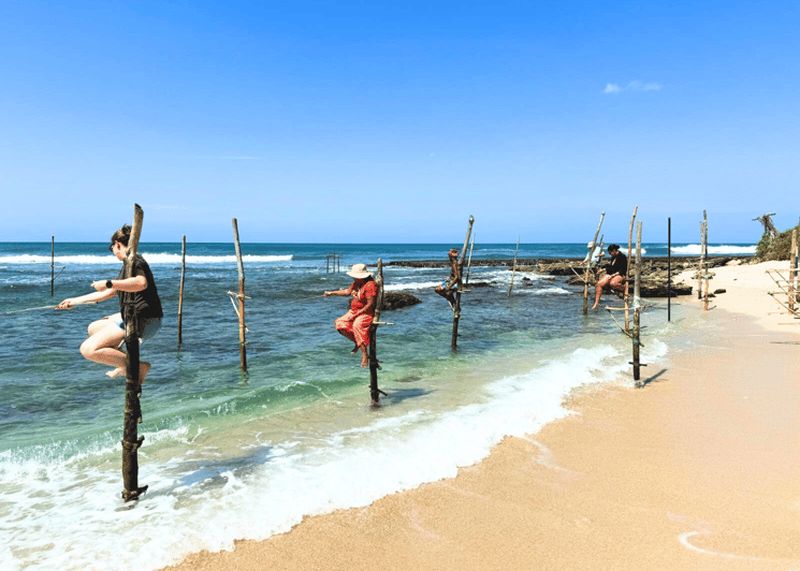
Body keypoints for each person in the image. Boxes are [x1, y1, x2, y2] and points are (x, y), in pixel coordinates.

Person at [56, 224, 163, 382]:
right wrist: (75, 301)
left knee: (88, 349)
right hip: (136, 316)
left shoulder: (134, 261)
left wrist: (108, 282)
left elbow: (141, 283)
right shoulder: (128, 264)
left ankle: (138, 366)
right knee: (94, 328)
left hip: (145, 320)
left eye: (111, 247)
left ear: (117, 244)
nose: (112, 252)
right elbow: (110, 292)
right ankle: (124, 363)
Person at [324, 263, 378, 368]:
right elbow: (347, 292)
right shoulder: (357, 283)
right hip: (354, 310)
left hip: (366, 312)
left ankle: (364, 354)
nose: (353, 277)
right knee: (339, 324)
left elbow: (370, 304)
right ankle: (358, 343)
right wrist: (332, 293)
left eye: (355, 276)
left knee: (356, 326)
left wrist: (358, 314)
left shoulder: (370, 285)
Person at [592, 243, 628, 310]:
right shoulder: (613, 257)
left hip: (620, 274)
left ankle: (624, 288)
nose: (609, 254)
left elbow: (622, 270)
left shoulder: (622, 257)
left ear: (614, 250)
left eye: (610, 252)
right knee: (599, 284)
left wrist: (612, 275)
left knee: (613, 283)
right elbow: (611, 267)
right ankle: (596, 303)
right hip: (612, 274)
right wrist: (603, 270)